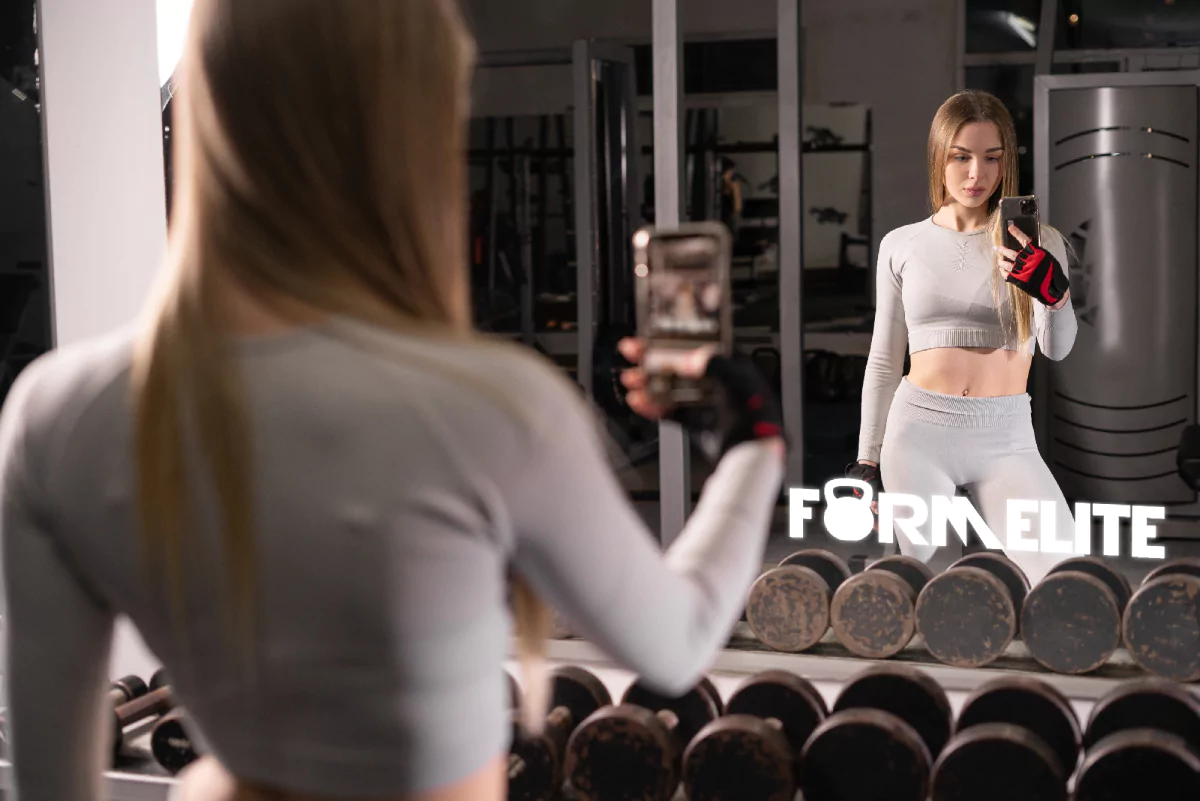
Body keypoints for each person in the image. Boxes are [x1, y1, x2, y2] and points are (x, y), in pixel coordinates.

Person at [0, 2, 786, 801]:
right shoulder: (493, 408)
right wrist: (754, 444)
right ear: (415, 128)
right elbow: (677, 642)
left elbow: (49, 782)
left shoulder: (57, 413)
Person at [848, 90, 1078, 588]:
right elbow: (885, 362)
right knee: (934, 592)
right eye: (961, 157)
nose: (977, 175)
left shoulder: (1040, 244)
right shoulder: (902, 244)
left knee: (1063, 578)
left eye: (992, 158)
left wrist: (1052, 295)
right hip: (918, 434)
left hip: (1007, 437)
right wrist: (868, 458)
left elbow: (1057, 349)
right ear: (939, 157)